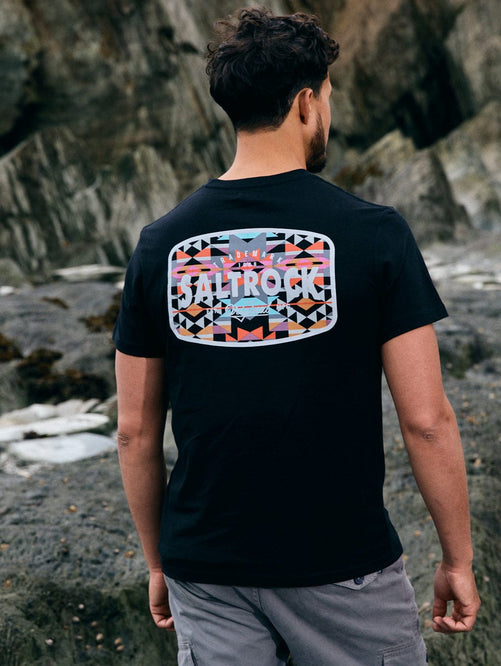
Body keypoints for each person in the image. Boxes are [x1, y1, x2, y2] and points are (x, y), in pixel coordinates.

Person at [113, 8, 480, 665]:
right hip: (343, 564)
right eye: (329, 98)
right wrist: (457, 557)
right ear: (306, 103)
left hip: (207, 566)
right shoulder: (373, 234)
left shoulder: (158, 245)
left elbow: (136, 432)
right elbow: (426, 420)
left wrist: (158, 560)